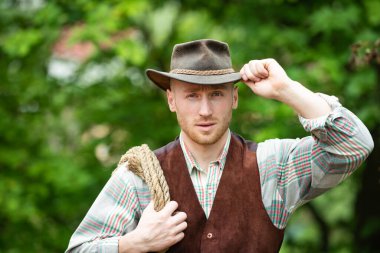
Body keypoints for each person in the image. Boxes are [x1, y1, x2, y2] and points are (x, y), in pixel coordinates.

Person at [66, 39, 374, 252]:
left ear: (234, 98)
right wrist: (134, 244)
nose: (204, 110)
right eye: (191, 95)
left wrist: (285, 89)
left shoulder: (272, 166)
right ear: (171, 100)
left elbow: (354, 145)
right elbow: (80, 250)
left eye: (216, 95)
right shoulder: (140, 176)